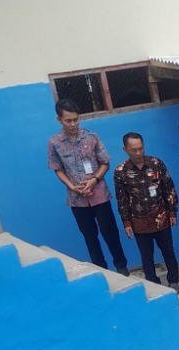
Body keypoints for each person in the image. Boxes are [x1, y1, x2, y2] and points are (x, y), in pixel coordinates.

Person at [47, 98, 128, 275]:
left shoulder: (92, 137)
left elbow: (105, 162)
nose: (73, 124)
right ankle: (102, 273)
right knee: (90, 237)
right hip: (77, 200)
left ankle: (122, 269)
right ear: (59, 119)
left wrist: (94, 180)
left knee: (111, 234)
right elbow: (57, 169)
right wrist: (71, 186)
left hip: (100, 195)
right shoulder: (55, 143)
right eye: (68, 120)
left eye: (76, 119)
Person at [113, 132, 179, 292]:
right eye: (134, 150)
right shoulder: (120, 171)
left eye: (140, 148)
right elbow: (121, 199)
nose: (138, 153)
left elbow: (169, 189)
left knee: (168, 252)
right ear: (125, 149)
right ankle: (153, 283)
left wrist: (172, 212)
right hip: (139, 222)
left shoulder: (156, 163)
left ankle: (174, 280)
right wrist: (126, 222)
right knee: (146, 257)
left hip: (161, 218)